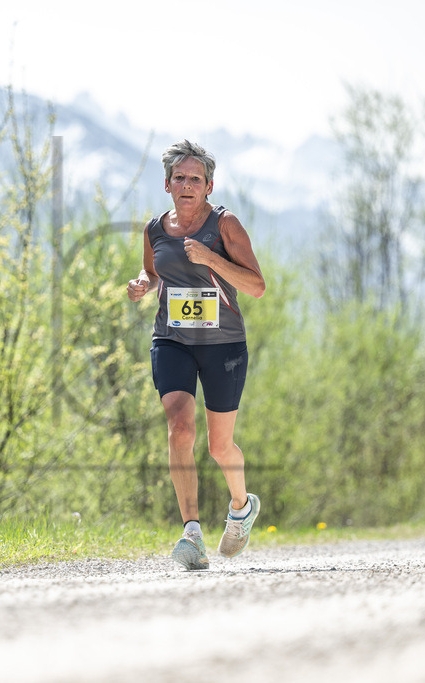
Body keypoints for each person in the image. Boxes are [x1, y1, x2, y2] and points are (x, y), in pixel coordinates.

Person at [126, 140, 266, 570]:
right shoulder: (154, 229)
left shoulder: (225, 226)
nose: (187, 185)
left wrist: (210, 258)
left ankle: (241, 507)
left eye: (196, 179)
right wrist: (141, 285)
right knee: (179, 427)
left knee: (219, 446)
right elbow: (154, 274)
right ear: (167, 183)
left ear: (209, 185)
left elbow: (256, 285)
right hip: (172, 339)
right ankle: (191, 532)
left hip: (222, 344)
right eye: (180, 178)